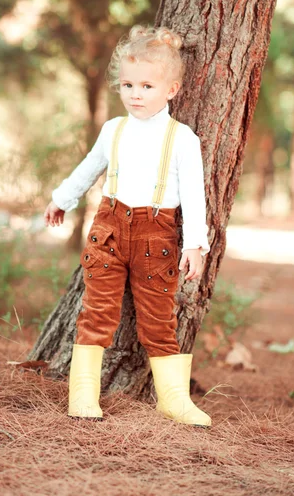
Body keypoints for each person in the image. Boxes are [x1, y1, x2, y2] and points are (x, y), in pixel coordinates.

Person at [44, 25, 211, 427]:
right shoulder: (113, 130)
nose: (136, 94)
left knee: (159, 318)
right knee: (98, 310)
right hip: (111, 229)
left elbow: (193, 195)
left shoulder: (183, 139)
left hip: (158, 237)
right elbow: (88, 169)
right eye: (127, 84)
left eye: (147, 86)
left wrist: (196, 245)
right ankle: (83, 393)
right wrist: (62, 199)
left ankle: (172, 397)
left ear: (171, 89)